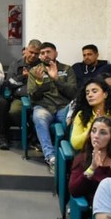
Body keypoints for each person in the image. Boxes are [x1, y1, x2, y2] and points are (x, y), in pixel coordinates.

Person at [27, 42, 77, 172]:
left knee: (74, 117)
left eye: (48, 52)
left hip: (63, 107)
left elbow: (72, 93)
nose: (45, 55)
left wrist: (56, 79)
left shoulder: (67, 69)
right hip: (44, 107)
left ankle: (72, 157)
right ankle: (51, 157)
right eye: (42, 53)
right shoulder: (35, 71)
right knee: (39, 117)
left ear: (56, 53)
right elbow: (33, 96)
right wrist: (39, 82)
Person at [68, 116, 111, 206]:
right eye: (93, 131)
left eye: (103, 133)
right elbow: (74, 190)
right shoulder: (82, 159)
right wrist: (92, 169)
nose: (96, 136)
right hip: (96, 208)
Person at [70, 77, 111, 152]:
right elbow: (75, 144)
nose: (90, 95)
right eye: (87, 93)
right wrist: (93, 126)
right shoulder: (81, 115)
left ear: (105, 94)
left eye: (94, 91)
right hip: (90, 155)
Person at [5, 39, 41, 124]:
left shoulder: (42, 65)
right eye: (31, 52)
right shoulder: (16, 64)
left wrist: (34, 78)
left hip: (38, 98)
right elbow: (9, 82)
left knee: (41, 114)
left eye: (36, 54)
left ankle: (33, 132)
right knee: (14, 111)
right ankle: (26, 129)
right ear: (26, 50)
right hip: (20, 98)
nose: (33, 55)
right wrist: (23, 77)